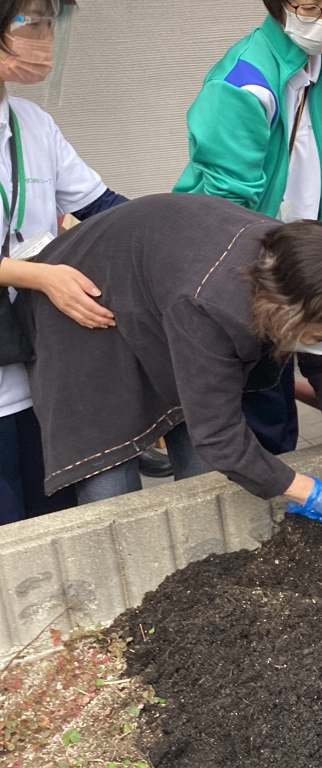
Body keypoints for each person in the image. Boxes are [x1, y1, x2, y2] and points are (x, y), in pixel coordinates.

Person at [24, 194, 322, 536]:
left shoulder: (301, 272)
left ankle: (201, 549)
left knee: (198, 446)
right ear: (281, 312)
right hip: (84, 309)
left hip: (157, 285)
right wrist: (311, 492)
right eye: (318, 332)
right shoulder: (213, 306)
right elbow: (219, 436)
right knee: (108, 474)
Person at [174, 0, 322, 459]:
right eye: (310, 6)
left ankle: (279, 477)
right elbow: (221, 204)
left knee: (277, 384)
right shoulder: (241, 82)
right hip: (239, 260)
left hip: (294, 252)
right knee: (241, 391)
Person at [0, 0, 139, 523]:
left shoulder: (31, 122)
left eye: (51, 20)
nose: (46, 35)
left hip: (36, 359)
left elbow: (102, 208)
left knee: (53, 515)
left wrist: (170, 228)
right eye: (30, 21)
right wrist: (39, 275)